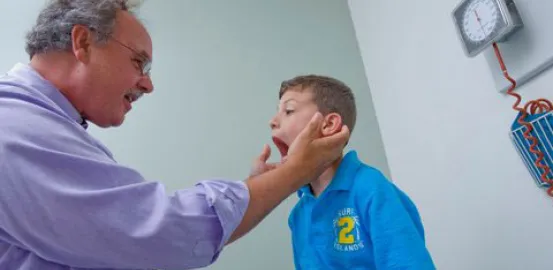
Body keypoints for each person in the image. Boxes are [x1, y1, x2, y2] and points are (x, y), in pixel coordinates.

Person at [0, 1, 350, 270]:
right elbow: (158, 232)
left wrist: (267, 184)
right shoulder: (13, 127)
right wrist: (294, 172)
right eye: (139, 62)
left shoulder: (368, 193)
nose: (148, 84)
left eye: (289, 111)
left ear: (331, 124)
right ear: (83, 42)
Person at [252, 75, 435, 269]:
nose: (272, 121)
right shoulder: (299, 215)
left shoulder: (372, 190)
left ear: (329, 125)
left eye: (288, 111)